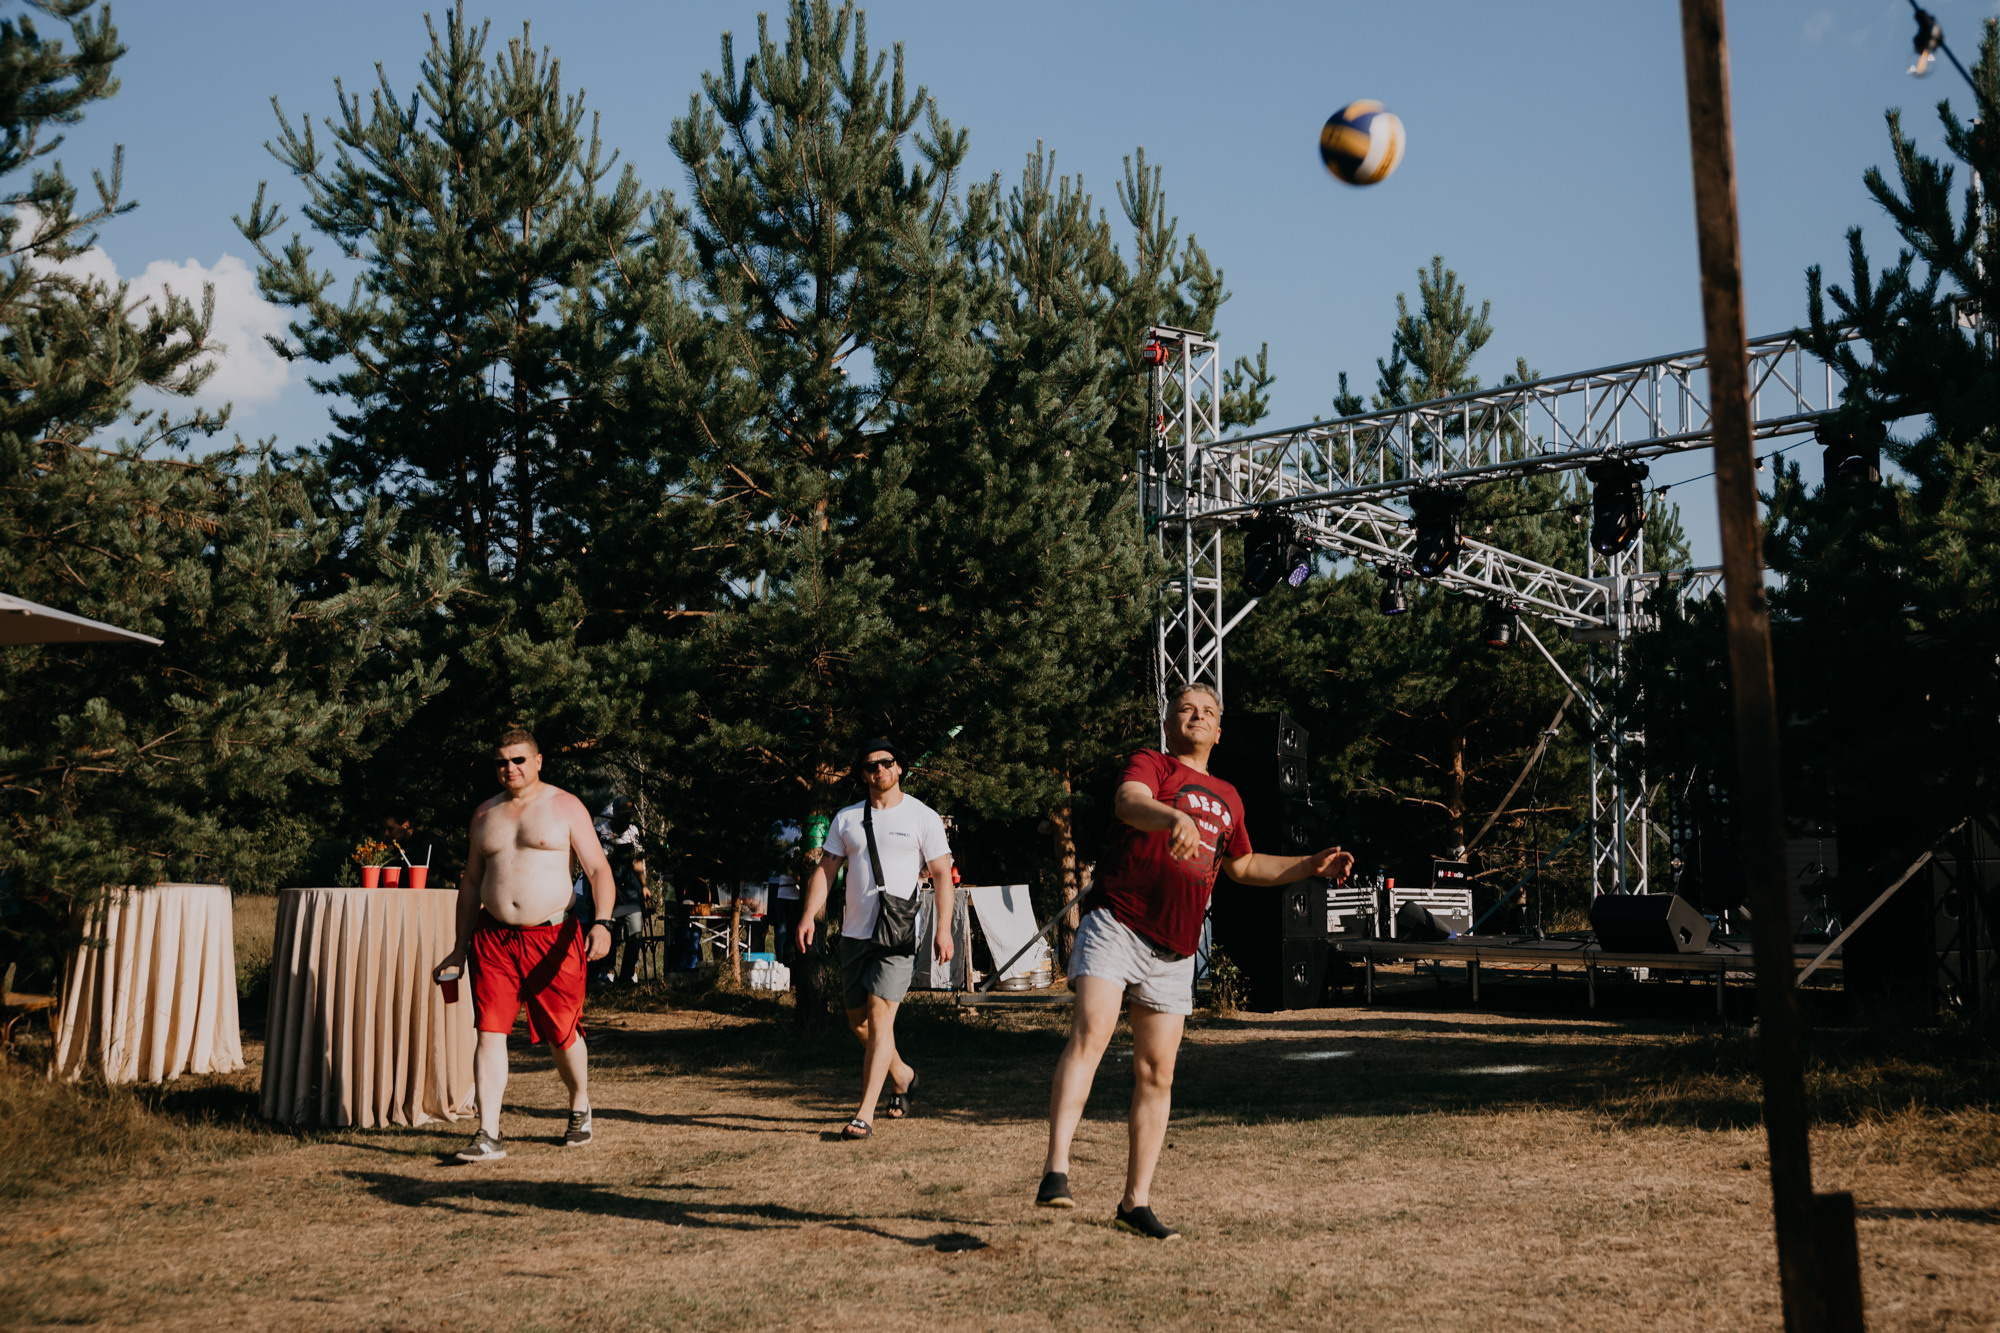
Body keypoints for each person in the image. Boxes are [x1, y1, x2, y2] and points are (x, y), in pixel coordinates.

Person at [1038, 684, 1354, 1240]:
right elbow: (1127, 803)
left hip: (1175, 947)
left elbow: (1245, 865)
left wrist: (1310, 864)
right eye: (1187, 709)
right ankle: (1056, 1172)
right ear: (1169, 721)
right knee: (1091, 1033)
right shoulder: (1153, 764)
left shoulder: (1229, 796)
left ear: (1220, 731)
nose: (1198, 716)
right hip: (1117, 921)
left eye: (1208, 712)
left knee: (1158, 1073)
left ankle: (1134, 1203)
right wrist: (1172, 819)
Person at [433, 727, 616, 1162]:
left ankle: (579, 1102)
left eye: (518, 760)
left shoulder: (564, 806)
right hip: (493, 937)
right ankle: (489, 1132)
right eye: (502, 761)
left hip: (553, 936)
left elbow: (598, 870)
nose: (509, 768)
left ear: (538, 761)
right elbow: (471, 883)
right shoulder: (484, 815)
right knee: (490, 1030)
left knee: (561, 1032)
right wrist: (459, 947)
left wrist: (604, 923)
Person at [794, 738, 953, 1140]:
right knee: (859, 1022)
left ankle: (864, 1113)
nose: (879, 770)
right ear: (862, 774)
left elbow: (941, 875)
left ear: (899, 768)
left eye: (886, 763)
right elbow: (827, 870)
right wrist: (809, 915)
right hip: (855, 933)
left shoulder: (923, 817)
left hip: (897, 933)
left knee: (881, 1017)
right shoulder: (846, 818)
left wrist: (943, 928)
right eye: (870, 766)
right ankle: (903, 1075)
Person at [594, 797, 649, 986]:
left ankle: (627, 975)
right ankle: (607, 971)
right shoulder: (602, 832)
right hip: (610, 889)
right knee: (611, 933)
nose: (627, 820)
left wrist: (644, 885)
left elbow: (638, 861)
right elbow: (600, 866)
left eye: (630, 816)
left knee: (636, 934)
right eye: (624, 816)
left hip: (632, 890)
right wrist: (612, 888)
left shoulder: (634, 832)